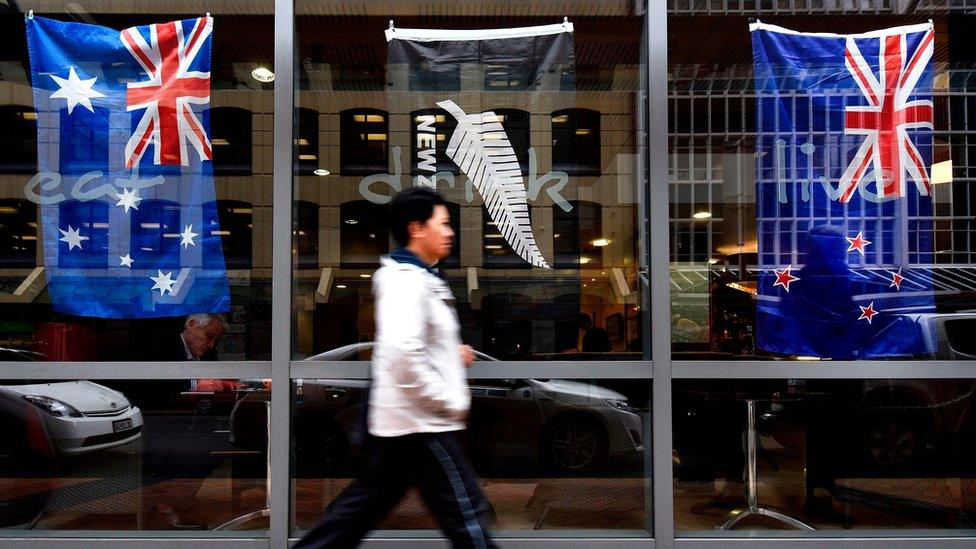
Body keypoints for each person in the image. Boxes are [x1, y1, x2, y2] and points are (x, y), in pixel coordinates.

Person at [295, 187, 496, 548]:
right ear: (417, 228)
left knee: (353, 517)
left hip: (404, 425)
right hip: (422, 424)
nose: (450, 232)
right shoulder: (406, 281)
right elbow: (404, 355)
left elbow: (416, 346)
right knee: (468, 518)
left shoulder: (418, 278)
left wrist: (452, 353)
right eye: (444, 224)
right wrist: (444, 401)